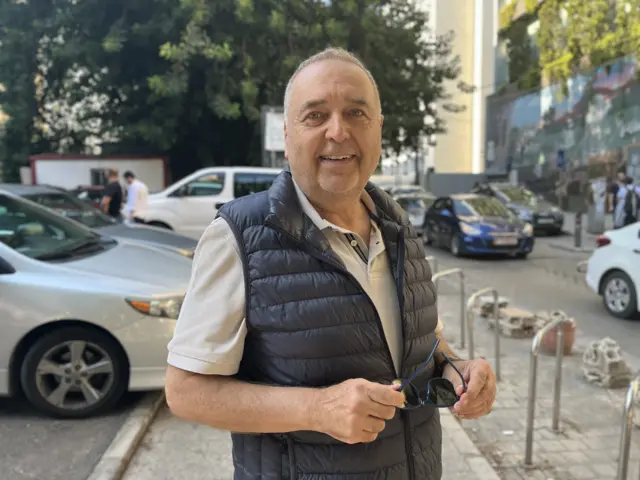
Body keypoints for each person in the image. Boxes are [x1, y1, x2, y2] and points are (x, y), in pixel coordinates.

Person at [165, 47, 497, 479]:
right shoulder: (239, 235)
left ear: (379, 129)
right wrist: (318, 409)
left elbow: (424, 339)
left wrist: (457, 369)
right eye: (315, 116)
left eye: (357, 113)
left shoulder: (397, 225)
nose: (338, 132)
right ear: (287, 136)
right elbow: (186, 392)